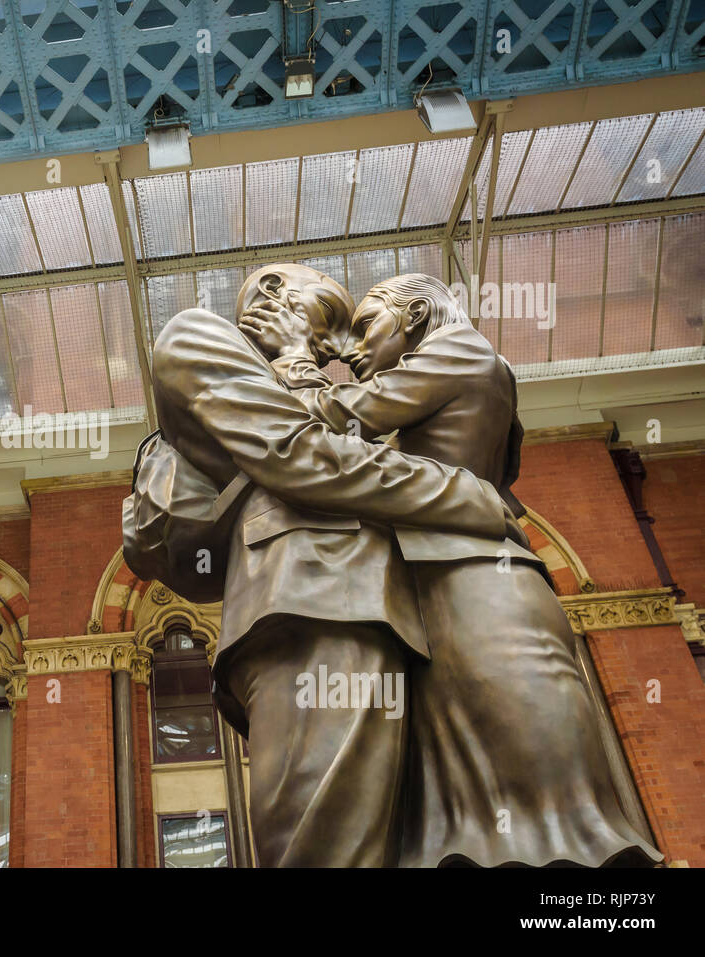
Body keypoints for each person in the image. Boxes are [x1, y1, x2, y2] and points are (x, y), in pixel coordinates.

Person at [251, 272, 662, 867]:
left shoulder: (459, 350)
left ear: (415, 314)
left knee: (534, 800)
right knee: (473, 802)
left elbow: (332, 423)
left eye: (368, 327)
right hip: (446, 584)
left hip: (475, 583)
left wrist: (294, 358)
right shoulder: (460, 381)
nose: (352, 350)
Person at [127, 263, 526, 866]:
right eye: (336, 320)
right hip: (312, 607)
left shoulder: (306, 383)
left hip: (376, 615)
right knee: (326, 842)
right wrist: (467, 495)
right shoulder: (198, 338)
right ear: (270, 294)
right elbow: (302, 456)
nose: (342, 349)